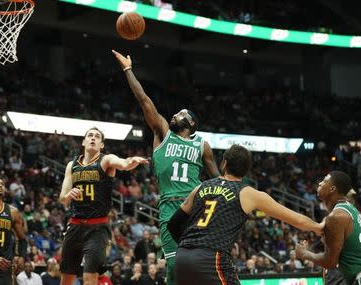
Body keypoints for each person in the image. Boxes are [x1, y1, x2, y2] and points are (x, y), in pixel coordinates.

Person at [112, 50, 220, 285]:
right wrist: (128, 70)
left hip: (195, 206)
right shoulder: (163, 131)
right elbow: (144, 100)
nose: (174, 114)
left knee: (199, 265)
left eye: (181, 114)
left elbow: (219, 180)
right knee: (173, 265)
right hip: (169, 207)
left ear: (191, 123)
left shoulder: (203, 146)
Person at [167, 145, 323, 285]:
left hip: (183, 258)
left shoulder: (200, 187)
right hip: (211, 257)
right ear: (246, 170)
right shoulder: (247, 193)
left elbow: (173, 224)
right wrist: (318, 227)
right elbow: (296, 218)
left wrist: (188, 247)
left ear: (224, 163)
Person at [58, 127, 149, 285]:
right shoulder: (71, 166)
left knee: (90, 277)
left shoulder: (106, 160)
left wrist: (131, 161)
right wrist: (67, 196)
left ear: (101, 144)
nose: (93, 138)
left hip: (97, 228)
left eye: (97, 137)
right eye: (90, 135)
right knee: (66, 278)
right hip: (74, 226)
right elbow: (62, 199)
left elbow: (123, 163)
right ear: (84, 141)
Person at [295, 171, 361, 285]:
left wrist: (305, 254)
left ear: (332, 189)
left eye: (325, 181)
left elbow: (330, 262)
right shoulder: (351, 210)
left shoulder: (336, 217)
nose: (320, 183)